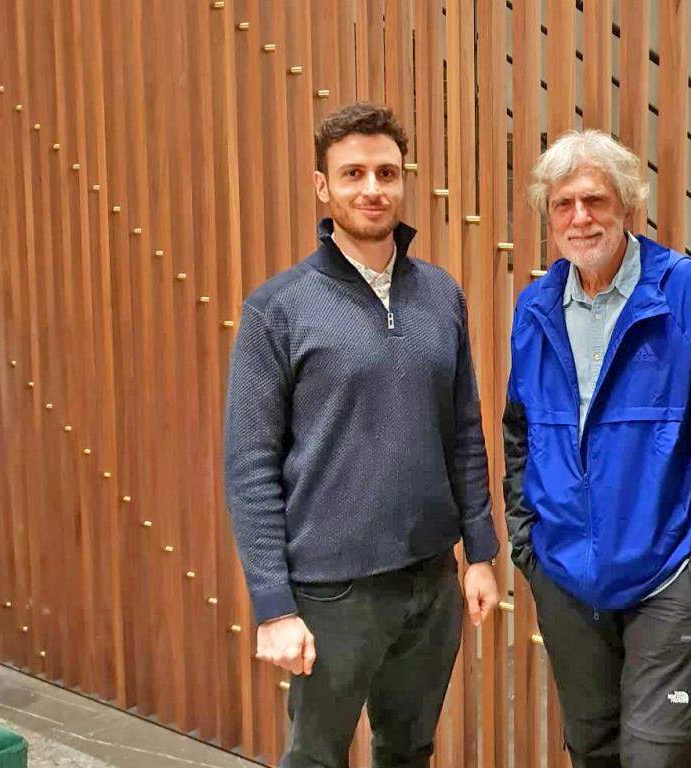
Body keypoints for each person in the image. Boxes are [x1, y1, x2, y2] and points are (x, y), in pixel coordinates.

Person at [223, 101, 499, 768]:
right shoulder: (277, 309)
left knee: (409, 750)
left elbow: (464, 431)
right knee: (315, 757)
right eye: (353, 174)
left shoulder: (441, 294)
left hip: (430, 579)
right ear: (323, 187)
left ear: (403, 180)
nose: (372, 189)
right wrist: (273, 607)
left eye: (386, 173)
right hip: (331, 591)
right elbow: (251, 464)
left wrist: (480, 552)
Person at [503, 129, 691, 768]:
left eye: (595, 200)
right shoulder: (535, 306)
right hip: (565, 578)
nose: (580, 217)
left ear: (627, 206)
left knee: (659, 756)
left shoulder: (687, 292)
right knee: (592, 750)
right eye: (563, 204)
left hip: (669, 577)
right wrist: (526, 543)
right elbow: (519, 432)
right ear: (549, 217)